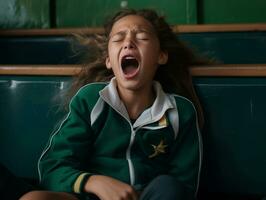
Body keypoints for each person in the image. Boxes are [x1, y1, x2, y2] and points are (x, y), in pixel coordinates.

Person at [20, 8, 209, 200]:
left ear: (161, 56)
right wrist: (94, 182)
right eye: (118, 39)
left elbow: (184, 185)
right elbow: (53, 168)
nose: (128, 43)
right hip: (91, 196)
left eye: (142, 37)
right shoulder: (90, 99)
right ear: (109, 60)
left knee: (168, 186)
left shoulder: (180, 112)